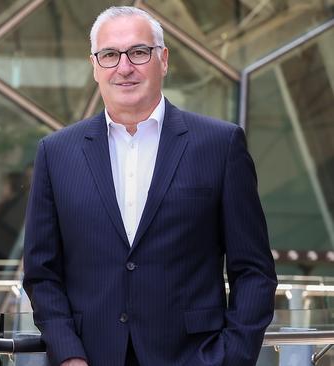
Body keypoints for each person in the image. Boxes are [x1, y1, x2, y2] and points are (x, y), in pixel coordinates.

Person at [23, 6, 277, 366]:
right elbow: (41, 272)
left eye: (139, 52)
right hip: (90, 358)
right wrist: (68, 355)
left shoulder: (220, 145)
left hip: (194, 357)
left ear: (164, 60)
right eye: (109, 55)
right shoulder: (57, 152)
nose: (124, 67)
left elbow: (254, 271)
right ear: (94, 66)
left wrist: (230, 357)